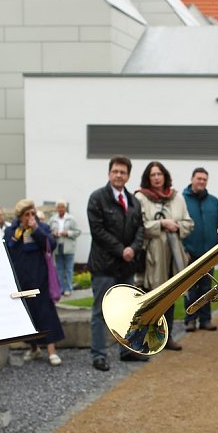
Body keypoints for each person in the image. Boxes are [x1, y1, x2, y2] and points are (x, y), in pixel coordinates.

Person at [87, 156, 145, 370]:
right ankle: (98, 355)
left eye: (123, 172)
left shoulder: (133, 201)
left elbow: (141, 228)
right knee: (100, 311)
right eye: (115, 171)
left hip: (126, 267)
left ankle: (127, 351)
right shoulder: (97, 198)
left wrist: (133, 249)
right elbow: (98, 231)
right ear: (109, 173)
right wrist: (122, 250)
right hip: (104, 266)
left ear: (128, 176)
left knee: (127, 311)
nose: (119, 175)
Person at [134, 162, 193, 350]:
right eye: (153, 175)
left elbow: (188, 223)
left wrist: (175, 225)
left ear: (165, 176)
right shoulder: (141, 198)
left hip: (173, 254)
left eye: (159, 174)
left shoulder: (177, 198)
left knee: (170, 294)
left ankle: (166, 338)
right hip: (153, 254)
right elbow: (140, 225)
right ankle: (144, 339)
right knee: (151, 295)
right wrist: (161, 224)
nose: (157, 178)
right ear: (148, 178)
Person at [5, 199, 65, 366]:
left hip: (41, 278)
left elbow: (51, 245)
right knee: (29, 315)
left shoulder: (42, 228)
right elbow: (8, 249)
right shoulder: (12, 231)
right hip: (22, 279)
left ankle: (52, 351)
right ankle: (34, 349)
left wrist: (36, 230)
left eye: (32, 213)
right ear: (20, 216)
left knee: (47, 313)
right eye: (26, 214)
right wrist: (19, 234)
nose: (30, 217)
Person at [182, 167, 218, 333]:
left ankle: (206, 319)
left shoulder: (213, 201)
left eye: (204, 179)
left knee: (207, 288)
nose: (201, 182)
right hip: (189, 252)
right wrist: (183, 248)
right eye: (198, 178)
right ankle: (190, 320)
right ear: (192, 179)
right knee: (190, 287)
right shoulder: (182, 199)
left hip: (209, 254)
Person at [49, 200, 82, 297]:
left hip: (68, 247)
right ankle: (60, 289)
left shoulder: (71, 219)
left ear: (65, 208)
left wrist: (67, 233)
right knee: (59, 268)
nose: (60, 209)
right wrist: (53, 234)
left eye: (62, 207)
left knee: (68, 268)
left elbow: (77, 232)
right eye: (59, 207)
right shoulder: (53, 219)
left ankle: (68, 288)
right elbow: (48, 231)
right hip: (57, 246)